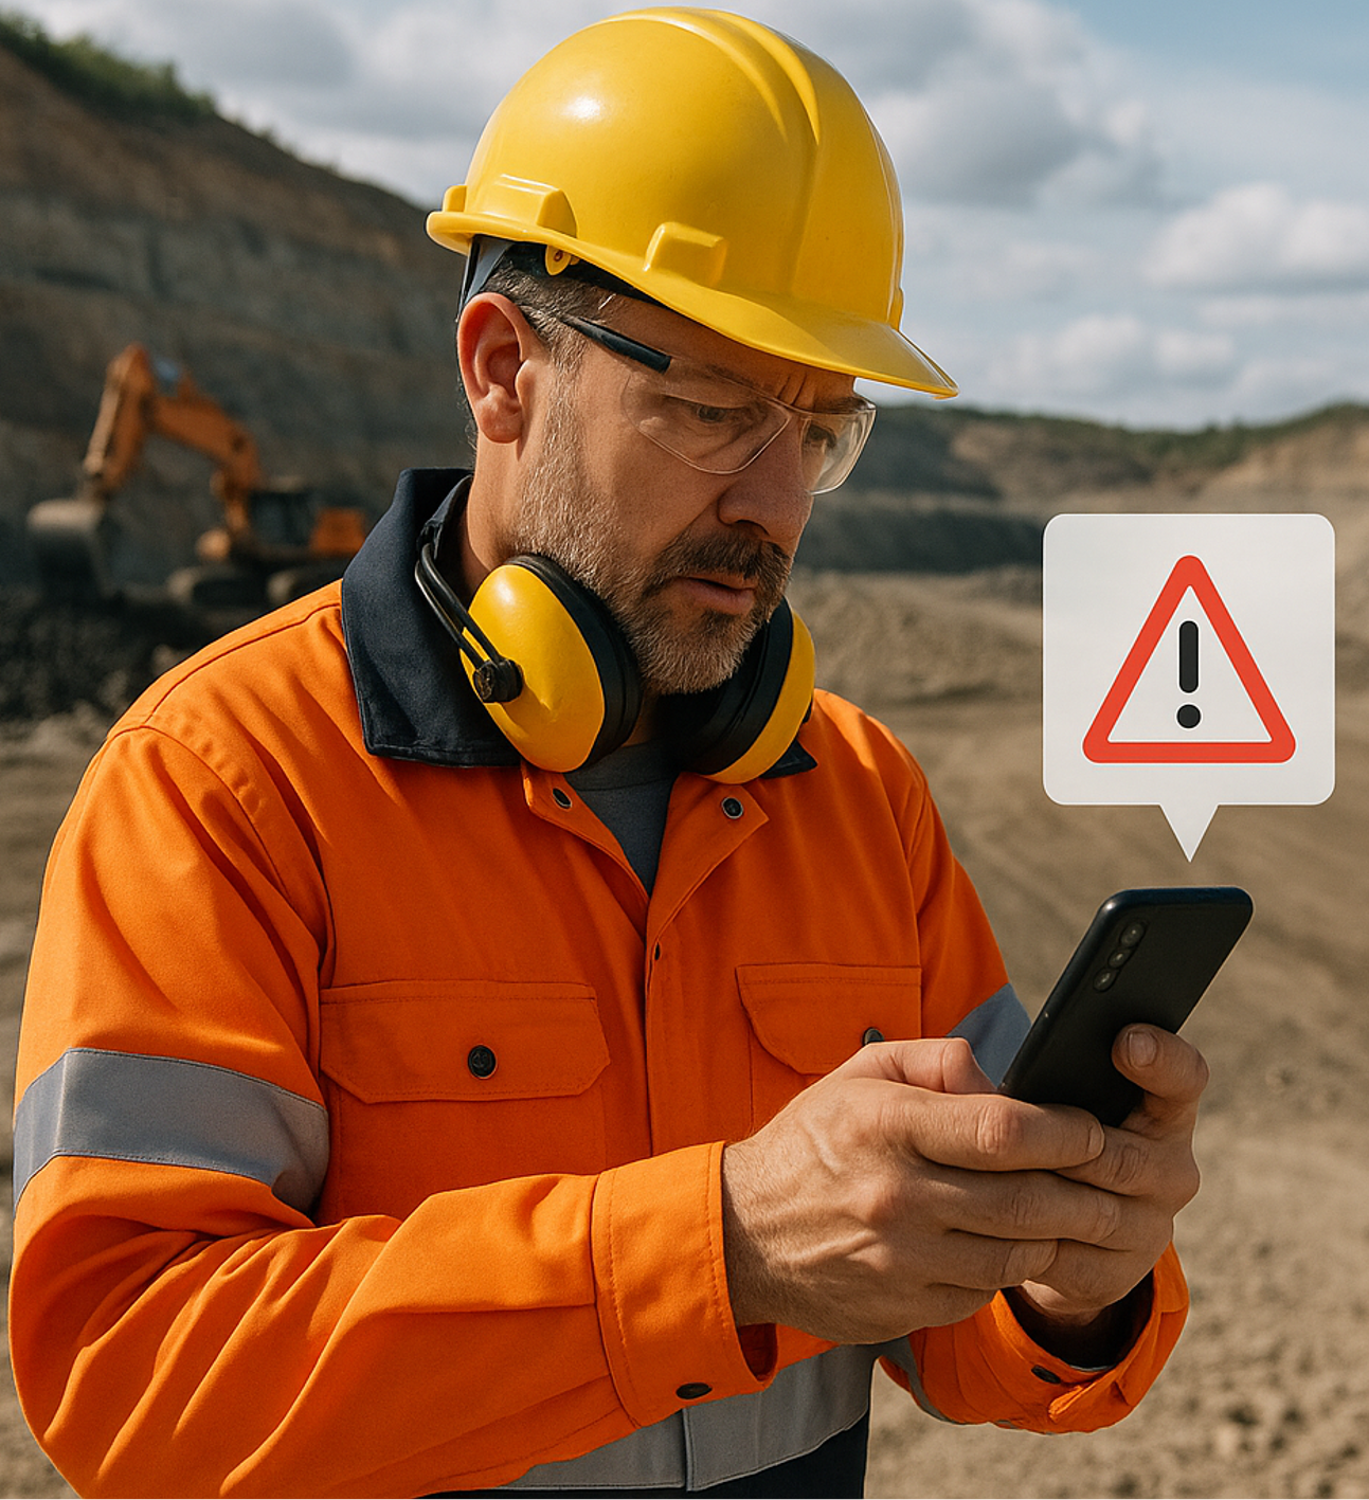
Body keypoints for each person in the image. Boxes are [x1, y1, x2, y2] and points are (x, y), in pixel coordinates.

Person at [11, 9, 1204, 1497]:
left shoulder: (860, 796)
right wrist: (721, 1250)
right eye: (712, 411)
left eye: (822, 430)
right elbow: (134, 1383)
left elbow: (969, 1336)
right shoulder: (221, 780)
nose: (775, 501)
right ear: (505, 370)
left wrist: (1067, 1281)